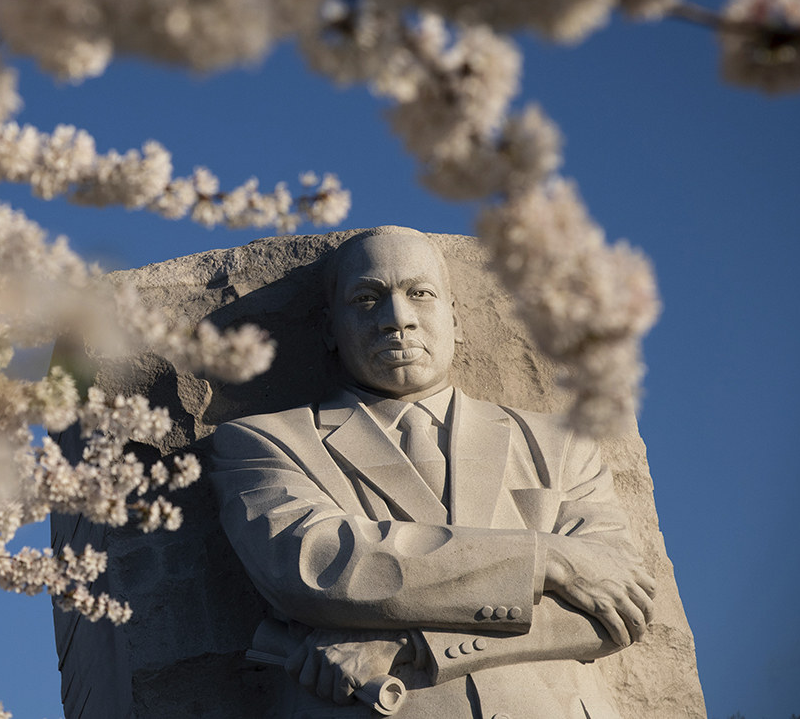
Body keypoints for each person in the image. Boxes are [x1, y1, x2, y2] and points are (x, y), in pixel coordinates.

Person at [209, 226, 657, 719]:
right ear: (327, 329)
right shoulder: (266, 443)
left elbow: (617, 608)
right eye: (366, 298)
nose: (396, 319)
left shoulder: (560, 443)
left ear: (456, 319)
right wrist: (548, 558)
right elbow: (321, 565)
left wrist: (410, 643)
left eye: (420, 294)